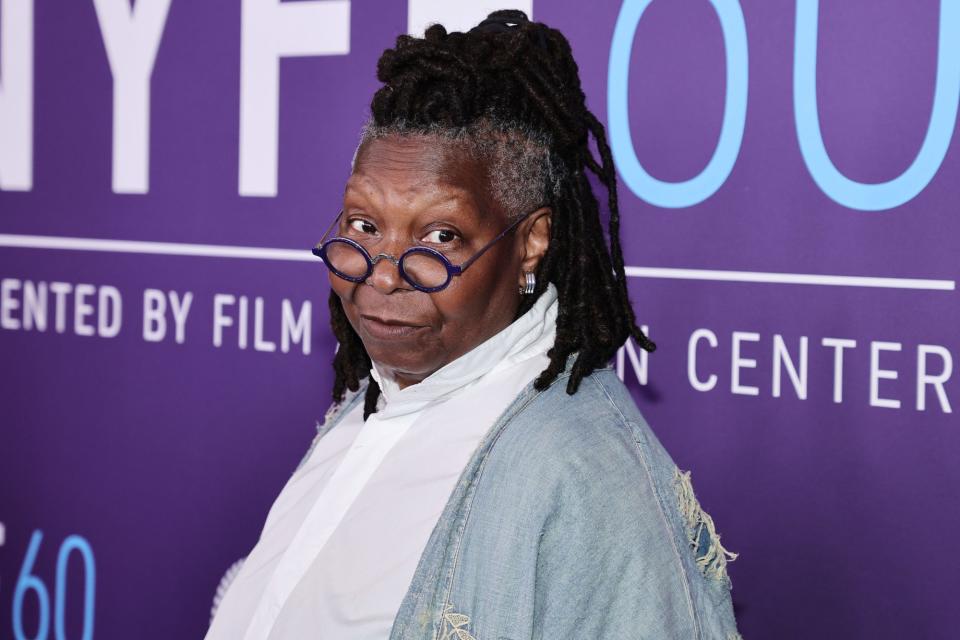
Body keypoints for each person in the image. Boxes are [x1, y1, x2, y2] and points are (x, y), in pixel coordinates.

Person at [206, 9, 741, 640]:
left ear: (531, 242)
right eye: (363, 226)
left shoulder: (587, 484)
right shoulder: (375, 401)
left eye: (441, 236)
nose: (381, 276)